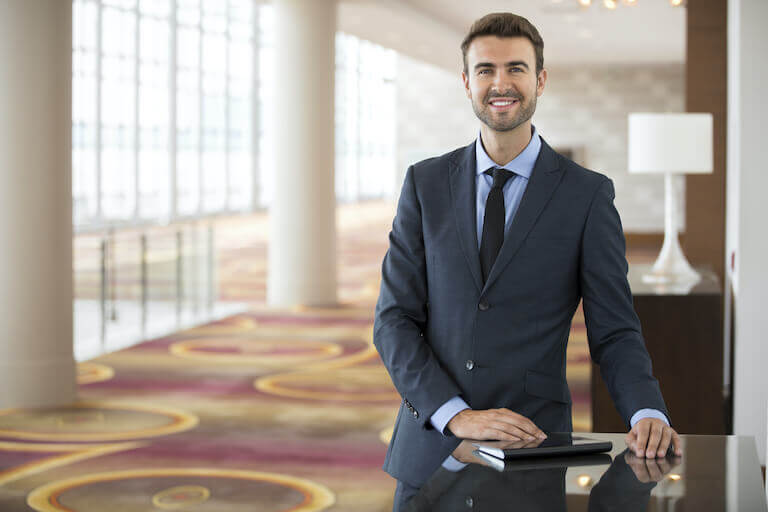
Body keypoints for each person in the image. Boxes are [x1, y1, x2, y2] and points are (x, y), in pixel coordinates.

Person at [373, 12, 683, 511]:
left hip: (533, 447)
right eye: (486, 70)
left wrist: (645, 410)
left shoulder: (586, 195)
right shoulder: (424, 184)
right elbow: (394, 321)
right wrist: (455, 415)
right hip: (429, 449)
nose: (501, 84)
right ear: (467, 82)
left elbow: (615, 330)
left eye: (516, 69)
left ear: (540, 79)